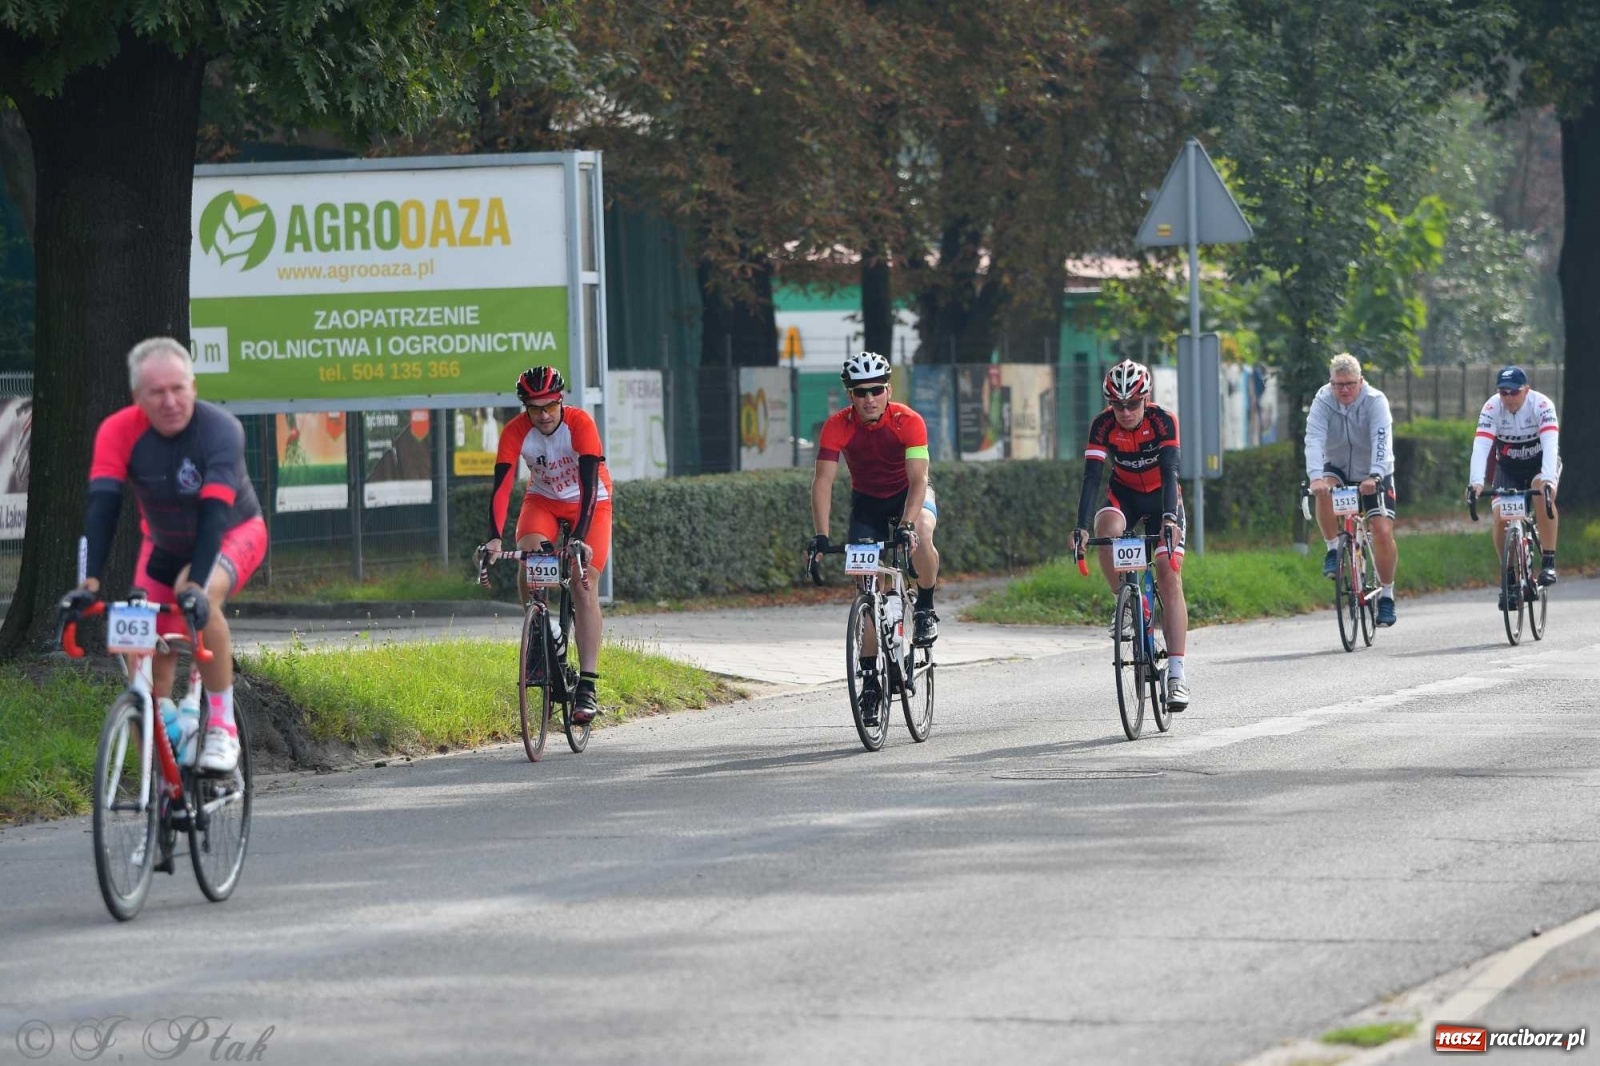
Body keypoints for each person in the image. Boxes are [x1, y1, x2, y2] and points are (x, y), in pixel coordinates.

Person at [60, 337, 267, 774]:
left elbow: (214, 515)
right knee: (145, 663)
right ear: (138, 397)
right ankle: (160, 787)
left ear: (193, 385)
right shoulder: (117, 430)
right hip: (163, 544)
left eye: (179, 388)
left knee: (197, 593)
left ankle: (222, 728)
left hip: (232, 532)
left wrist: (194, 589)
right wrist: (89, 584)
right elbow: (103, 506)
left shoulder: (220, 429)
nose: (171, 401)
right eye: (157, 392)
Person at [809, 351, 941, 725]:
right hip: (867, 502)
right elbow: (823, 482)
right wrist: (821, 535)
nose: (869, 398)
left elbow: (919, 480)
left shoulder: (908, 420)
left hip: (909, 496)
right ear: (849, 395)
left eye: (876, 390)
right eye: (860, 391)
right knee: (867, 587)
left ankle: (927, 606)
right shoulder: (837, 426)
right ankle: (870, 683)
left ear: (888, 390)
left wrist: (909, 524)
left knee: (924, 536)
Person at [483, 367, 612, 724]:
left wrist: (581, 538)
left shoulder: (581, 424)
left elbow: (589, 487)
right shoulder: (515, 432)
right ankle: (545, 633)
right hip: (542, 501)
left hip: (590, 503)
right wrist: (494, 536)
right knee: (529, 558)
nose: (542, 416)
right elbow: (502, 487)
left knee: (583, 582)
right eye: (534, 408)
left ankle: (587, 683)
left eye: (549, 407)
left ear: (561, 400)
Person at [1070, 359, 1191, 711]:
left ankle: (1177, 676)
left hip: (1162, 500)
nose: (1125, 412)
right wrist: (1079, 526)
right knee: (1106, 529)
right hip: (1124, 496)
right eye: (1117, 404)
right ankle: (1125, 602)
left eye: (1132, 404)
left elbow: (1170, 472)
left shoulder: (1163, 421)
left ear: (1146, 398)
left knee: (1169, 572)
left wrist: (1169, 519)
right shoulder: (1102, 425)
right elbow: (1092, 477)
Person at [1304, 352, 1399, 626]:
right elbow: (1313, 439)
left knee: (1381, 532)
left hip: (1373, 472)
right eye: (1338, 384)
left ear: (1361, 381)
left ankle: (1388, 595)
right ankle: (1333, 548)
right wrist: (1314, 477)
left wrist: (1376, 475)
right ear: (1330, 383)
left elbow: (1382, 439)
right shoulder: (1322, 401)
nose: (1344, 390)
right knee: (1323, 489)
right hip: (1337, 467)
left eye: (1349, 384)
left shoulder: (1375, 401)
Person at [1468, 365, 1560, 599]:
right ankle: (1508, 574)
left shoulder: (1542, 405)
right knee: (1501, 518)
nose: (1508, 398)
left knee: (1543, 496)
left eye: (1514, 392)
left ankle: (1548, 560)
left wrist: (1549, 480)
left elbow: (1550, 444)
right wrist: (1476, 483)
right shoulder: (1491, 408)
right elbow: (1481, 446)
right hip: (1508, 467)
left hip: (1540, 465)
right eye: (1503, 392)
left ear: (1526, 390)